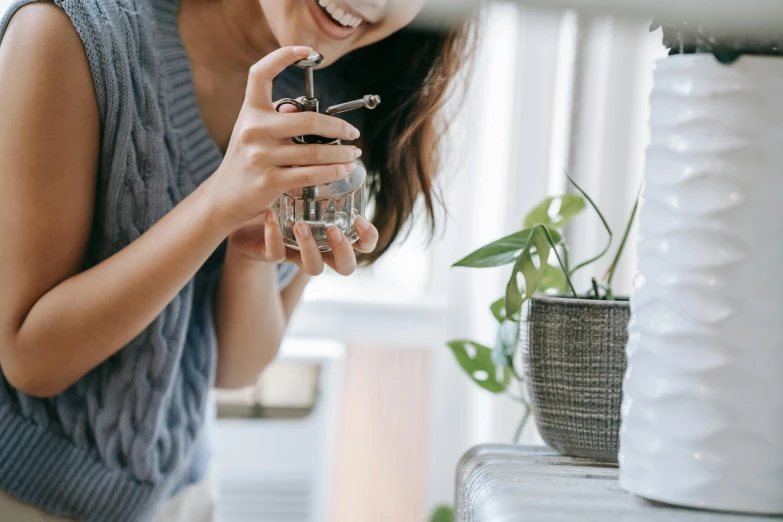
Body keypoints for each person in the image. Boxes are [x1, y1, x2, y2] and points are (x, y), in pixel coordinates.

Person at [0, 0, 475, 520]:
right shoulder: (69, 35)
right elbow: (30, 358)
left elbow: (233, 368)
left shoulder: (331, 99)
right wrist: (218, 203)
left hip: (183, 498)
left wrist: (250, 255)